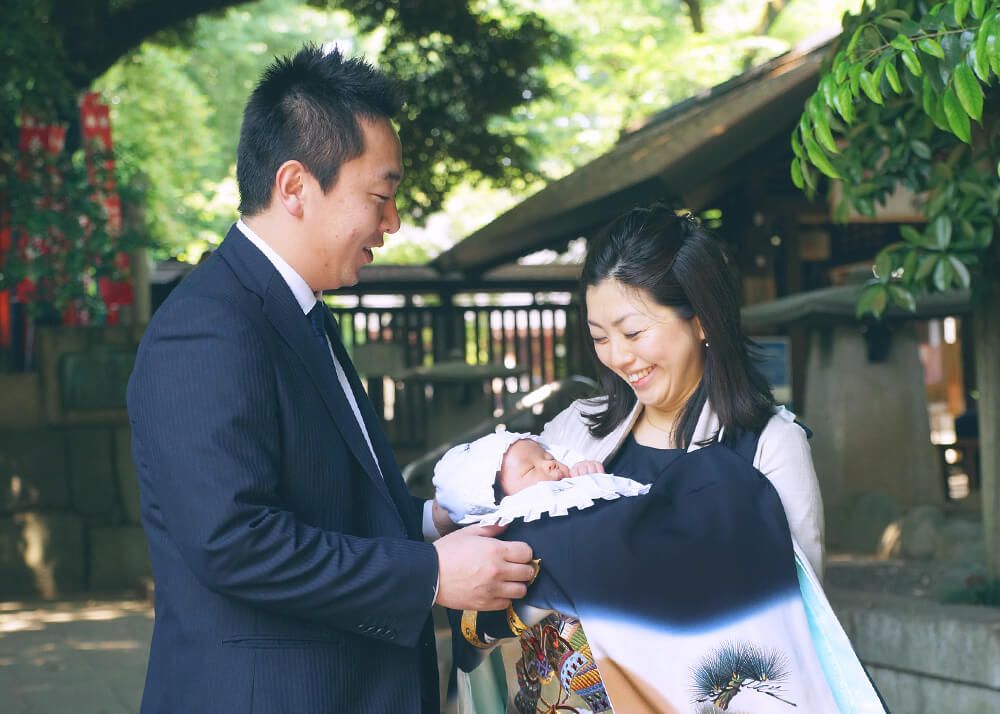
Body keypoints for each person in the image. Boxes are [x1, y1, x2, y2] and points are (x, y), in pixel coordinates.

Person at [126, 45, 535, 714]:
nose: (392, 222)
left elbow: (329, 509)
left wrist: (437, 521)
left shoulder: (300, 313)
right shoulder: (206, 329)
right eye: (380, 195)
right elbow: (235, 542)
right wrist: (430, 575)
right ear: (294, 186)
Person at [453, 205, 855, 714]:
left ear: (702, 319)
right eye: (600, 337)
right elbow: (492, 560)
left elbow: (794, 625)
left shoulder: (769, 445)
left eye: (634, 332)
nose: (618, 356)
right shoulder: (573, 432)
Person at [432, 430, 650, 527]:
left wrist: (586, 470)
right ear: (495, 500)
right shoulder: (512, 514)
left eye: (548, 456)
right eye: (530, 470)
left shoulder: (578, 479)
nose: (549, 463)